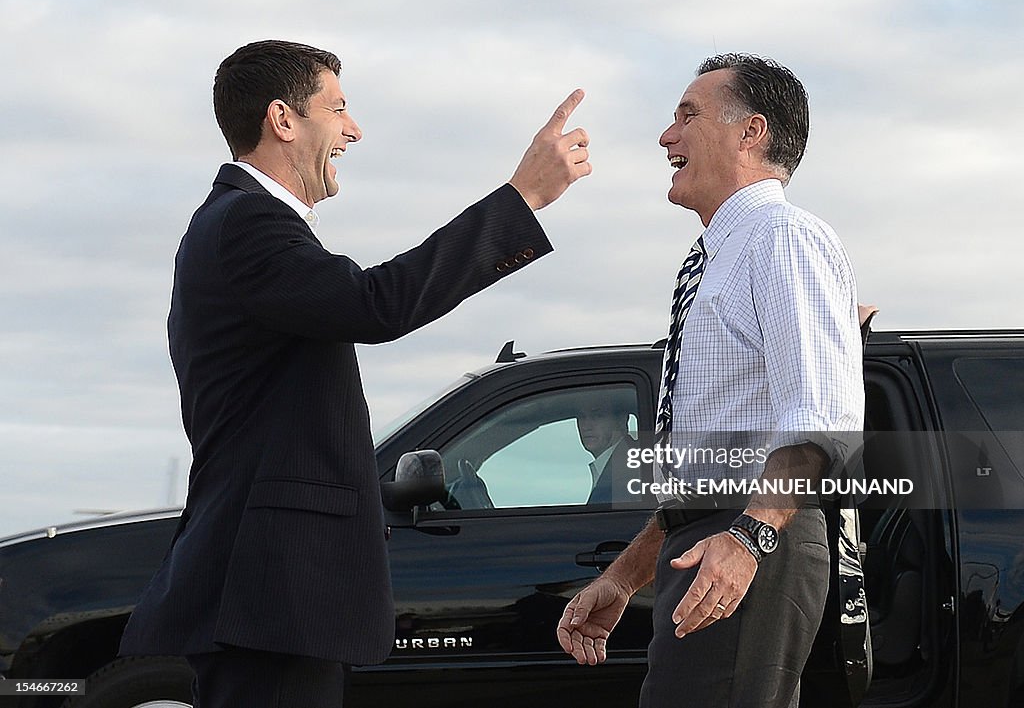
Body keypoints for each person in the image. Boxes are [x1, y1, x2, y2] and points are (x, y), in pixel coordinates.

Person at [118, 40, 590, 707]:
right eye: (337, 108)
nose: (354, 128)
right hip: (270, 596)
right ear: (283, 120)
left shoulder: (238, 223)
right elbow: (377, 303)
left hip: (272, 599)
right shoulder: (248, 222)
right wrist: (522, 198)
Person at [556, 53, 863, 708]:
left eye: (686, 116)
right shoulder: (717, 259)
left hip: (754, 536)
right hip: (716, 536)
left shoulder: (782, 237)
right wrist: (624, 575)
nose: (667, 136)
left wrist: (749, 538)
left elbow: (826, 418)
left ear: (750, 133)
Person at [576, 398, 647, 504]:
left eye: (597, 416)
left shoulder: (630, 472)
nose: (586, 426)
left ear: (622, 420)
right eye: (581, 417)